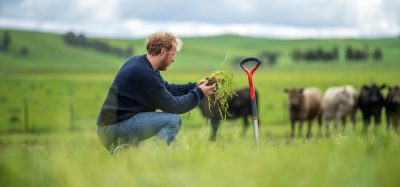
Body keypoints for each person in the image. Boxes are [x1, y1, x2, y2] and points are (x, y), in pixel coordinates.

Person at [96, 31, 216, 153]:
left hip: (112, 125)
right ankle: (154, 156)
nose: (173, 59)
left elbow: (167, 89)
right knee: (173, 120)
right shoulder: (146, 74)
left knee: (130, 162)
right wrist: (199, 93)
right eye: (173, 54)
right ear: (163, 51)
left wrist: (194, 86)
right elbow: (174, 106)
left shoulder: (142, 63)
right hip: (114, 128)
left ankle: (123, 151)